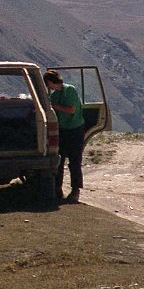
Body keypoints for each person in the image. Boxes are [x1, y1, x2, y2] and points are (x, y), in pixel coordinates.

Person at [45, 69, 87, 203]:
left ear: (51, 82)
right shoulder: (54, 95)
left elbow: (71, 110)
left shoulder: (69, 90)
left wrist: (54, 106)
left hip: (75, 129)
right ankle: (57, 189)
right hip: (62, 130)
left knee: (75, 161)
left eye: (48, 84)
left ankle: (75, 190)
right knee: (59, 160)